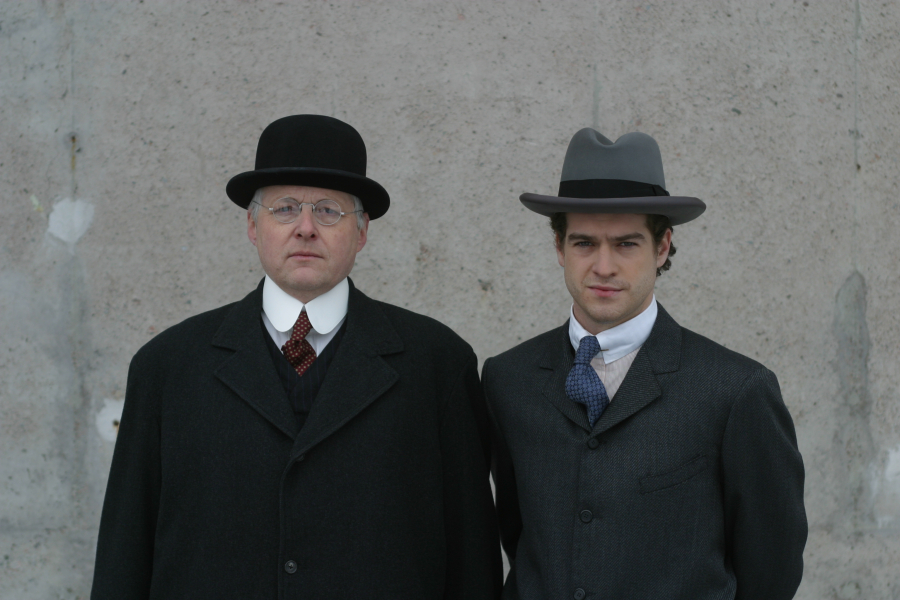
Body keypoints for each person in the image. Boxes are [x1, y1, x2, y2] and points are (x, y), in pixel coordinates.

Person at [91, 114, 501, 599]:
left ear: (362, 231)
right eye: (284, 208)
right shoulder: (167, 366)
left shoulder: (437, 363)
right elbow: (124, 555)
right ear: (253, 225)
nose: (306, 228)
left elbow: (473, 559)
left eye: (329, 211)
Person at [483, 127, 807, 600]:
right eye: (584, 243)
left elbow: (771, 568)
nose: (604, 266)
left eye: (626, 244)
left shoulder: (737, 389)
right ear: (559, 248)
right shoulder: (507, 379)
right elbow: (518, 534)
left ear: (662, 247)